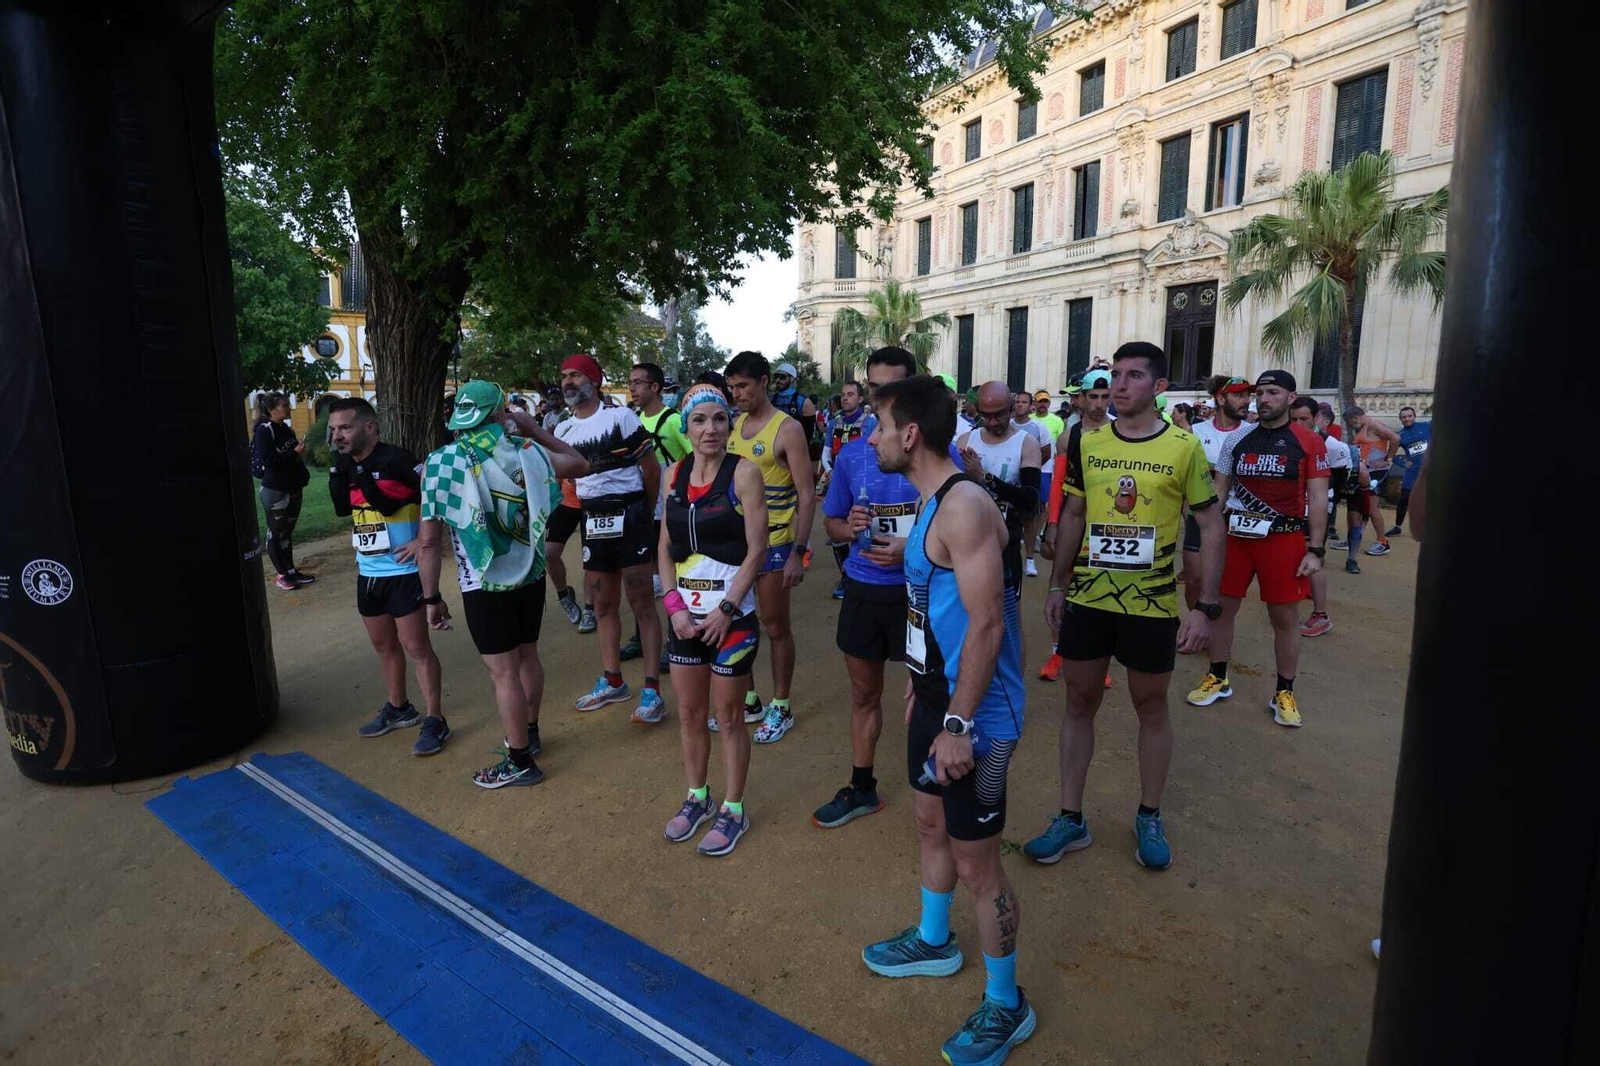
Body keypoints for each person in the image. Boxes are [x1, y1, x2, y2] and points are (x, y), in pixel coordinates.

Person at [858, 374, 1033, 1066]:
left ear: (909, 435)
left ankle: (1006, 1005)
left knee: (979, 866)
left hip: (978, 716)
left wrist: (957, 723)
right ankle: (934, 943)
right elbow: (936, 612)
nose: (870, 438)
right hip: (939, 699)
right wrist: (922, 688)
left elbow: (988, 627)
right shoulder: (931, 502)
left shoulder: (964, 506)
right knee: (928, 821)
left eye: (878, 426)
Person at [1028, 341, 1221, 872]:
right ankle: (1071, 817)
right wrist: (1056, 586)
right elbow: (1073, 515)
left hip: (1153, 603)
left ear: (1159, 388)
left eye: (1134, 375)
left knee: (1151, 707)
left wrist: (1205, 606)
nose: (1120, 383)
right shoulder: (1086, 442)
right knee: (1077, 701)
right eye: (1116, 374)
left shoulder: (1184, 447)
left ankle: (1149, 814)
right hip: (1089, 598)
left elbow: (1209, 523)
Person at [413, 381, 589, 787]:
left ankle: (519, 760)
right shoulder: (529, 452)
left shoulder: (441, 463)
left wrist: (431, 598)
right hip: (530, 574)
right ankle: (529, 732)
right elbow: (578, 463)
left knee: (503, 673)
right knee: (527, 657)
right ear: (498, 413)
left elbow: (427, 542)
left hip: (482, 583)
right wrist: (532, 428)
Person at [813, 347, 928, 829]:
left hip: (920, 592)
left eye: (892, 387)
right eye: (875, 386)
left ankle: (934, 791)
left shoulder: (934, 454)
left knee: (928, 695)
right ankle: (863, 788)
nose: (882, 396)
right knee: (865, 696)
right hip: (865, 589)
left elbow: (960, 528)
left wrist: (912, 547)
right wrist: (849, 527)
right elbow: (832, 526)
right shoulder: (854, 454)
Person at [658, 384, 768, 854]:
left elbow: (758, 548)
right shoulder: (673, 475)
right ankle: (697, 797)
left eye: (719, 420)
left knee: (728, 717)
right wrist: (674, 608)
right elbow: (664, 545)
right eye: (700, 420)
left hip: (732, 618)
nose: (710, 429)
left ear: (729, 425)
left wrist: (726, 610)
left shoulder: (744, 473)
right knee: (688, 713)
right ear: (686, 426)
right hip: (686, 618)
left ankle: (734, 808)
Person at [1186, 370, 1328, 728]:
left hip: (1283, 539)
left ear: (1291, 398)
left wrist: (1316, 550)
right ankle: (1217, 676)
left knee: (1284, 619)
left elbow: (1318, 499)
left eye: (1273, 392)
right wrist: (1206, 534)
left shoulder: (1308, 441)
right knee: (1220, 609)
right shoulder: (1239, 441)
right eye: (1260, 393)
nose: (1263, 399)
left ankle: (1284, 691)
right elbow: (1219, 493)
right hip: (1236, 538)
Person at [327, 398, 447, 755]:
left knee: (416, 647)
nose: (337, 436)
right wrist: (339, 468)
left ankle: (436, 719)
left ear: (370, 427)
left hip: (405, 571)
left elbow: (434, 494)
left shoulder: (398, 459)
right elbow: (340, 509)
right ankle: (399, 708)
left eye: (345, 428)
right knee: (384, 646)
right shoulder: (344, 465)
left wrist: (422, 539)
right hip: (369, 572)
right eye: (333, 430)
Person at [553, 353, 667, 720]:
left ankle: (652, 690)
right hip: (593, 520)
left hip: (631, 514)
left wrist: (647, 515)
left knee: (641, 602)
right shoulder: (562, 431)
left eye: (576, 375)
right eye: (564, 376)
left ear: (594, 381)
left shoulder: (621, 417)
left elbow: (651, 471)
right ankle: (613, 679)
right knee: (602, 604)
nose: (568, 382)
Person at [725, 351, 817, 742]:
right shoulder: (734, 425)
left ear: (764, 382)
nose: (737, 394)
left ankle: (781, 705)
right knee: (736, 622)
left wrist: (799, 551)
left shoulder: (788, 428)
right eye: (732, 388)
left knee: (775, 625)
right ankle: (750, 700)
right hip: (737, 542)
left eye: (743, 386)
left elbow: (808, 493)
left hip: (776, 541)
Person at [1038, 368, 1117, 684]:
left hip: (1105, 526)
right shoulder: (1069, 436)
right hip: (1073, 521)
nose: (1099, 404)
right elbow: (1058, 484)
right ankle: (1058, 651)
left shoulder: (1121, 432)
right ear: (1081, 398)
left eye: (1105, 397)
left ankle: (1100, 661)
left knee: (1103, 590)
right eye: (1093, 397)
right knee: (1062, 585)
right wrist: (1052, 524)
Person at [957, 382, 1040, 676]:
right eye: (986, 415)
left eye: (999, 415)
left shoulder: (1025, 443)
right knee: (967, 617)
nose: (992, 422)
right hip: (966, 545)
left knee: (1008, 621)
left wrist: (986, 478)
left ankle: (1013, 694)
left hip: (1005, 545)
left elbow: (1031, 501)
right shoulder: (967, 439)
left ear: (1012, 407)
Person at [625, 363, 692, 664]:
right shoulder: (632, 420)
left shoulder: (674, 421)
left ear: (655, 388)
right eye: (630, 383)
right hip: (643, 506)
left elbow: (696, 458)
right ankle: (642, 636)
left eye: (638, 383)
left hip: (671, 507)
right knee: (641, 574)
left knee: (670, 572)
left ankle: (673, 640)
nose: (632, 389)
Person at [1181, 375, 1251, 611]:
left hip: (1235, 517)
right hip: (1199, 515)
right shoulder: (1196, 432)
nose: (1247, 401)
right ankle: (1194, 624)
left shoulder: (1252, 433)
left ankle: (1216, 633)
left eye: (1248, 395)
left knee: (1223, 582)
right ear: (1221, 398)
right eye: (1239, 395)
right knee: (1193, 578)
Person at [1290, 396, 1349, 638]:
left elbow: (1340, 479)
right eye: (1293, 419)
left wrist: (1324, 502)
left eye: (1304, 418)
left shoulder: (1333, 445)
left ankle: (1321, 615)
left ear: (1316, 418)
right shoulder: (1287, 438)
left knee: (1313, 555)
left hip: (1316, 508)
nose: (1298, 423)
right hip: (1292, 509)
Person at [820, 380, 878, 599]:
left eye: (850, 394)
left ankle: (862, 569)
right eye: (843, 395)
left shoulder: (869, 422)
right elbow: (826, 452)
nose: (845, 398)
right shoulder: (834, 423)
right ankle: (845, 575)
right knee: (836, 527)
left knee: (861, 525)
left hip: (861, 482)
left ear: (860, 398)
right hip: (837, 478)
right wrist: (830, 471)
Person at [252, 391, 314, 591]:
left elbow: (292, 456)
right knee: (276, 533)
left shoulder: (285, 428)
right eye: (285, 406)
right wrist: (292, 453)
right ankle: (281, 575)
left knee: (287, 533)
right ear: (271, 410)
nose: (289, 408)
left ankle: (291, 570)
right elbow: (268, 460)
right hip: (275, 490)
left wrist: (298, 454)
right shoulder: (264, 430)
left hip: (292, 487)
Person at [1346, 406, 1399, 555]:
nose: (1350, 426)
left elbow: (1396, 438)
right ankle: (1353, 538)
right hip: (1365, 471)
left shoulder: (1373, 424)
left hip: (1377, 472)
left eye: (1349, 423)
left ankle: (1383, 542)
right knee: (1357, 507)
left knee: (1372, 508)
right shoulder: (1363, 427)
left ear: (1355, 418)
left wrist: (1387, 459)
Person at [1009, 392, 1051, 579]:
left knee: (1029, 519)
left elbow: (1046, 452)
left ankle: (1030, 559)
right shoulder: (1007, 425)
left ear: (1030, 405)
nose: (1019, 405)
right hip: (1009, 480)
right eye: (1017, 402)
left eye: (1023, 402)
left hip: (1028, 480)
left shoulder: (1038, 427)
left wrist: (1030, 470)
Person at [768, 359, 821, 488]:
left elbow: (808, 433)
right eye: (776, 376)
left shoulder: (804, 402)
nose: (778, 380)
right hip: (771, 450)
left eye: (782, 377)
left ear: (792, 379)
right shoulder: (770, 399)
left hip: (795, 452)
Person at [545, 478, 589, 629]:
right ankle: (564, 596)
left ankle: (590, 609)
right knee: (549, 553)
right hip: (566, 501)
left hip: (593, 498)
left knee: (591, 558)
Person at [1388, 406, 1430, 535]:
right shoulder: (1399, 436)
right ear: (1400, 419)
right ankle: (1397, 527)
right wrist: (1402, 463)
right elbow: (1390, 455)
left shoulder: (1427, 426)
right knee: (1404, 499)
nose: (1407, 419)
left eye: (1409, 416)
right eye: (1404, 417)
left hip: (1430, 470)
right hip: (1412, 472)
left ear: (1415, 416)